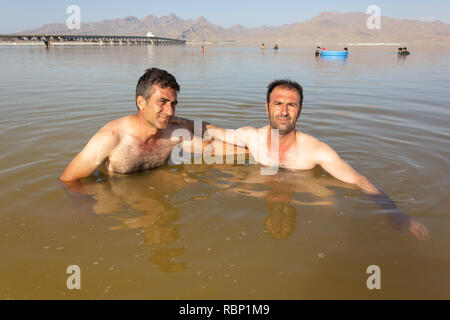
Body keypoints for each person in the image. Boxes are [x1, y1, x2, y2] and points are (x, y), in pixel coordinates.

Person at [205, 79, 430, 240]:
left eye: (291, 105)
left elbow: (358, 180)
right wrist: (175, 122)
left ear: (299, 110)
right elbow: (213, 130)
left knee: (330, 204)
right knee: (227, 190)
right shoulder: (251, 136)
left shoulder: (316, 151)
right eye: (277, 104)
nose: (284, 111)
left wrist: (393, 211)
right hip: (260, 183)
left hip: (304, 191)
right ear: (267, 108)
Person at [60, 68, 211, 182]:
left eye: (173, 104)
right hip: (117, 199)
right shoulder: (111, 137)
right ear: (141, 102)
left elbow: (212, 149)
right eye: (162, 102)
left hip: (155, 189)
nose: (170, 111)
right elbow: (68, 180)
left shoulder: (173, 133)